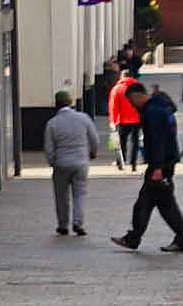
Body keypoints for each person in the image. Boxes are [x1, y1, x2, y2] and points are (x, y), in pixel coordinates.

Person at [114, 80, 183, 254]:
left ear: (136, 96)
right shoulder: (160, 107)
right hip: (166, 161)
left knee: (158, 205)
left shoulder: (152, 112)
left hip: (160, 164)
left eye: (131, 102)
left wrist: (157, 167)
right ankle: (134, 238)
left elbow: (157, 140)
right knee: (152, 204)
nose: (132, 106)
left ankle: (179, 239)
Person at [43, 90, 99, 237]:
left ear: (56, 104)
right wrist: (93, 152)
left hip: (61, 162)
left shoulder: (52, 123)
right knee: (80, 193)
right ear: (71, 102)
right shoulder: (83, 118)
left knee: (61, 196)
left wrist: (52, 162)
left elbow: (49, 147)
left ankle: (63, 225)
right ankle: (78, 222)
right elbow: (94, 139)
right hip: (80, 162)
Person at [108, 68, 143, 168]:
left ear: (121, 76)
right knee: (135, 141)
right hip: (136, 120)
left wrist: (112, 121)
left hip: (122, 120)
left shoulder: (117, 88)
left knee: (120, 141)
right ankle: (133, 162)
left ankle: (121, 161)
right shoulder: (138, 88)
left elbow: (113, 106)